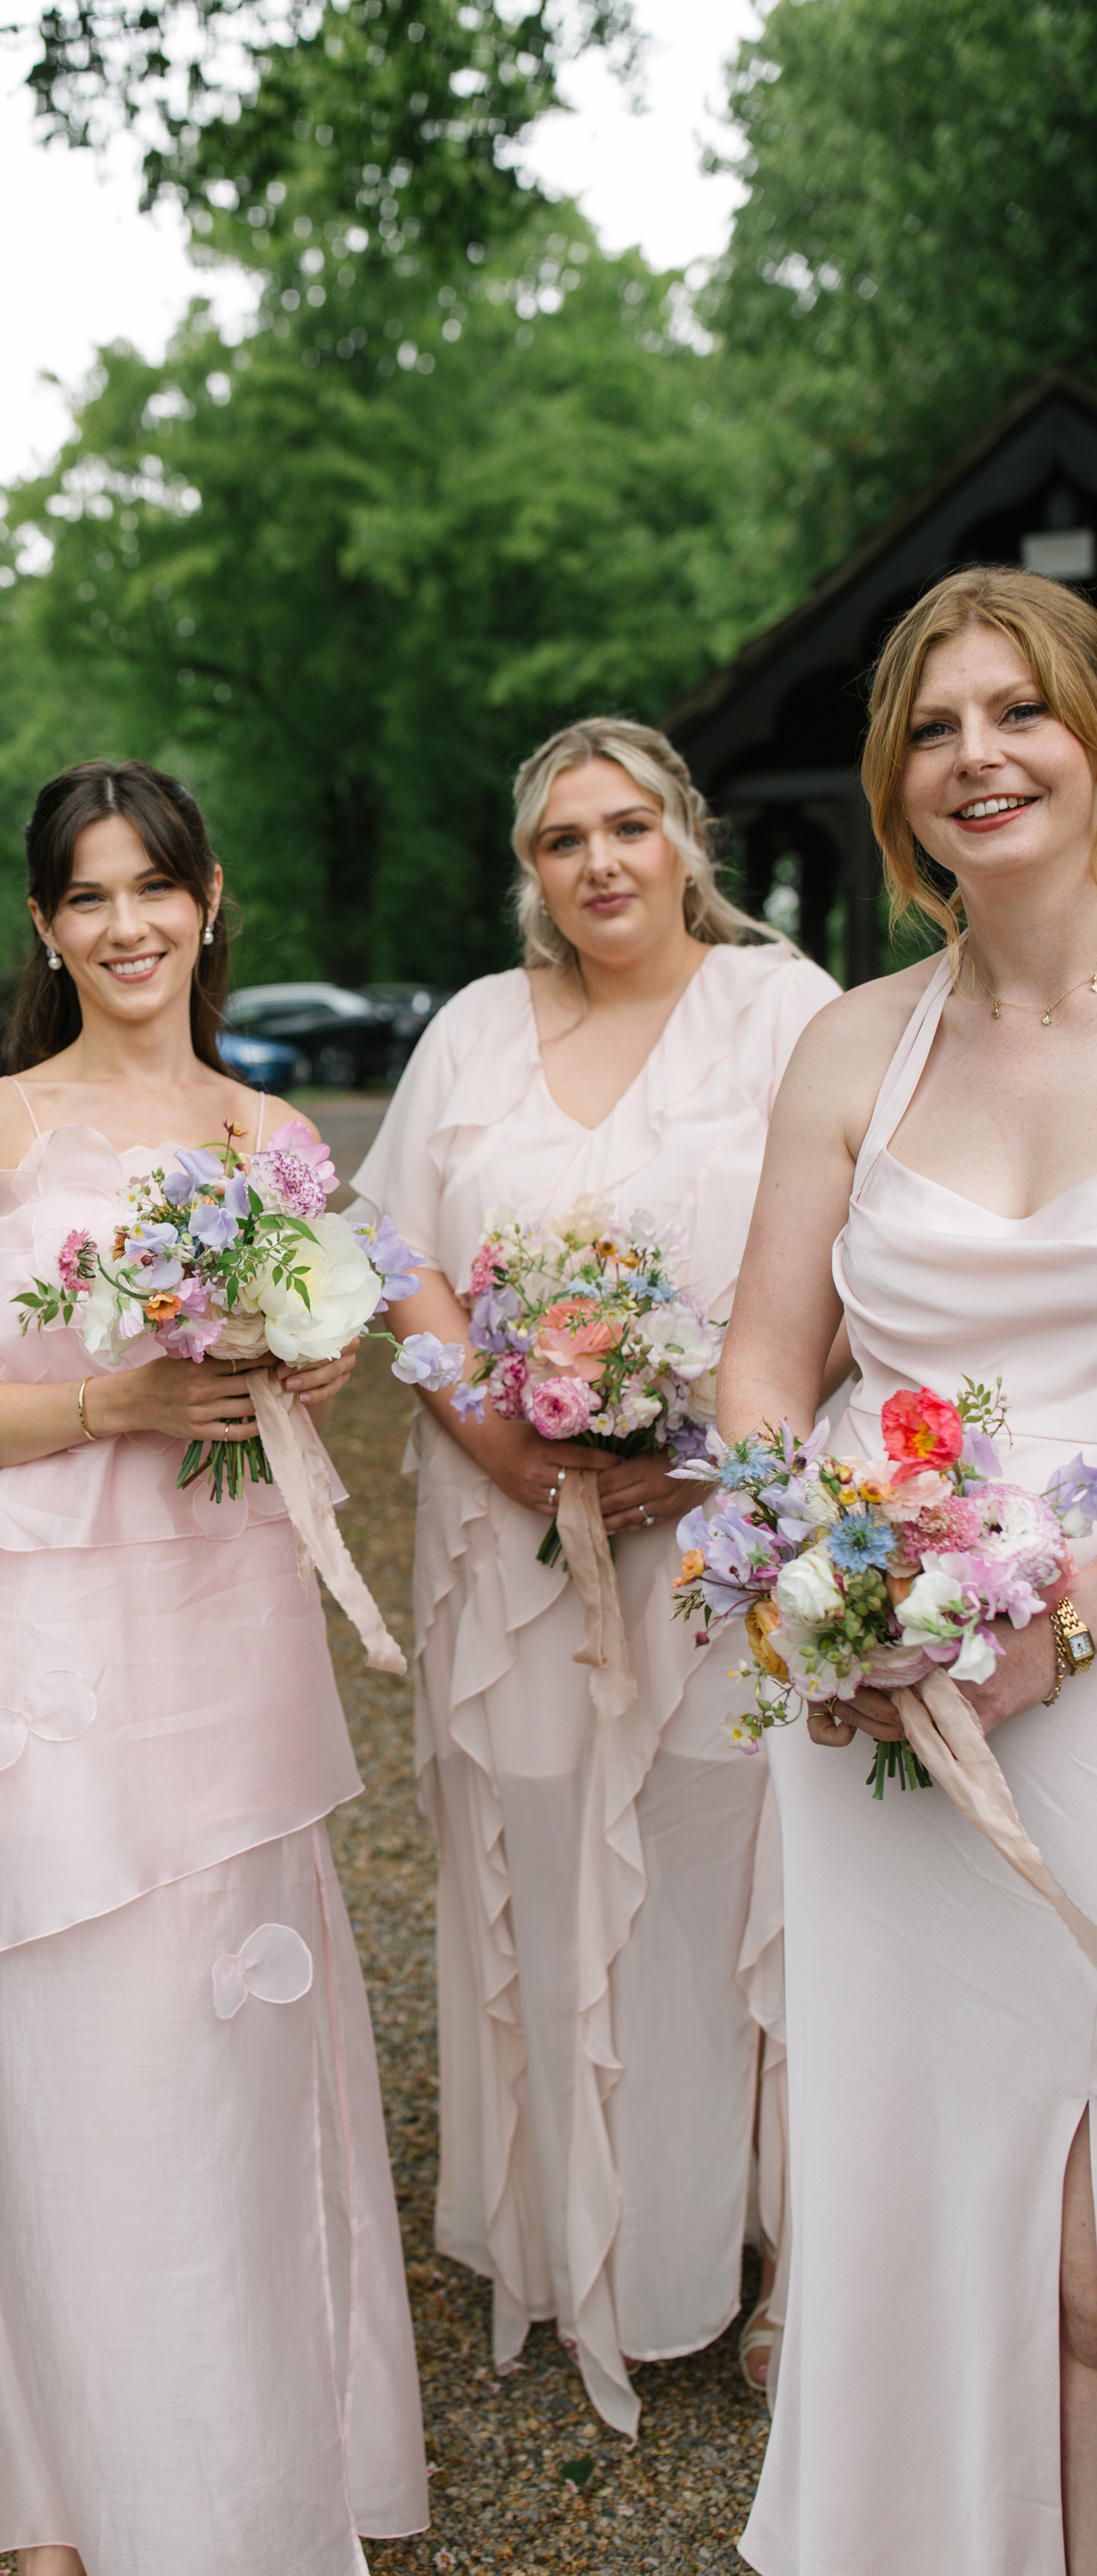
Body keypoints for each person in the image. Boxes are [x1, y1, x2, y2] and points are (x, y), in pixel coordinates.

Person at [0, 757, 428, 2576]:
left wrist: (310, 1358)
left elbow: (308, 1334)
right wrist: (107, 1397)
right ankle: (59, 2492)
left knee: (223, 2029)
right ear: (45, 927)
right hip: (48, 1624)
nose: (126, 925)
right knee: (71, 2039)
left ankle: (251, 2474)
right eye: (88, 896)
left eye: (155, 887)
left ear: (213, 903)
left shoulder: (270, 1140)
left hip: (220, 1607)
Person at [350, 719, 842, 2433]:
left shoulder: (785, 1009)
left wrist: (693, 1442)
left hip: (709, 1524)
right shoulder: (479, 1026)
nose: (600, 864)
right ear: (530, 870)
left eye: (628, 826)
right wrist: (483, 1423)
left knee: (724, 1873)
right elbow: (394, 1246)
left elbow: (844, 1244)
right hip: (508, 1526)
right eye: (562, 840)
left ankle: (775, 2252)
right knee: (542, 1856)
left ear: (684, 837)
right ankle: (578, 2249)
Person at [722, 567, 1097, 2576]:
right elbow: (768, 1371)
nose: (980, 755)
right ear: (894, 783)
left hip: (1093, 1697)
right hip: (876, 1704)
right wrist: (815, 1587)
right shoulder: (855, 1047)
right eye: (934, 726)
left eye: (1019, 710)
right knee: (921, 2187)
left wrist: (1068, 1619)